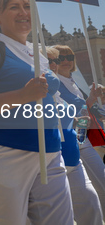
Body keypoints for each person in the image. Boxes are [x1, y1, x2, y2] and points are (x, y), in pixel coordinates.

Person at [0, 0, 73, 224]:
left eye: (27, 6)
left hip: (50, 153)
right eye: (14, 7)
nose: (23, 12)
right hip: (3, 153)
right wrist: (21, 96)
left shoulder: (38, 54)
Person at [47, 46, 103, 224]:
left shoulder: (73, 81)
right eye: (58, 58)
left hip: (81, 136)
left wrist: (92, 100)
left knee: (94, 189)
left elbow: (80, 111)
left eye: (69, 57)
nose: (64, 61)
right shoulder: (54, 82)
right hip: (70, 141)